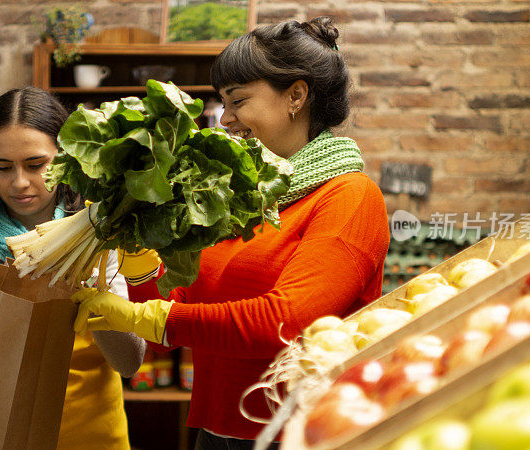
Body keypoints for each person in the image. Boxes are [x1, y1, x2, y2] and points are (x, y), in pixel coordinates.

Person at [74, 17, 390, 449]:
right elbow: (169, 328)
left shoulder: (351, 198)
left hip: (301, 434)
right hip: (214, 431)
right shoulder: (246, 199)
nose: (226, 119)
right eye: (222, 103)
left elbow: (284, 322)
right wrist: (136, 256)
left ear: (296, 95)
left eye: (238, 101)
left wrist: (153, 319)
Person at [0, 86, 145, 449]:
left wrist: (91, 298)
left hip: (94, 438)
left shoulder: (99, 244)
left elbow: (129, 363)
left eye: (36, 165)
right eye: (3, 167)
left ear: (65, 160)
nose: (19, 182)